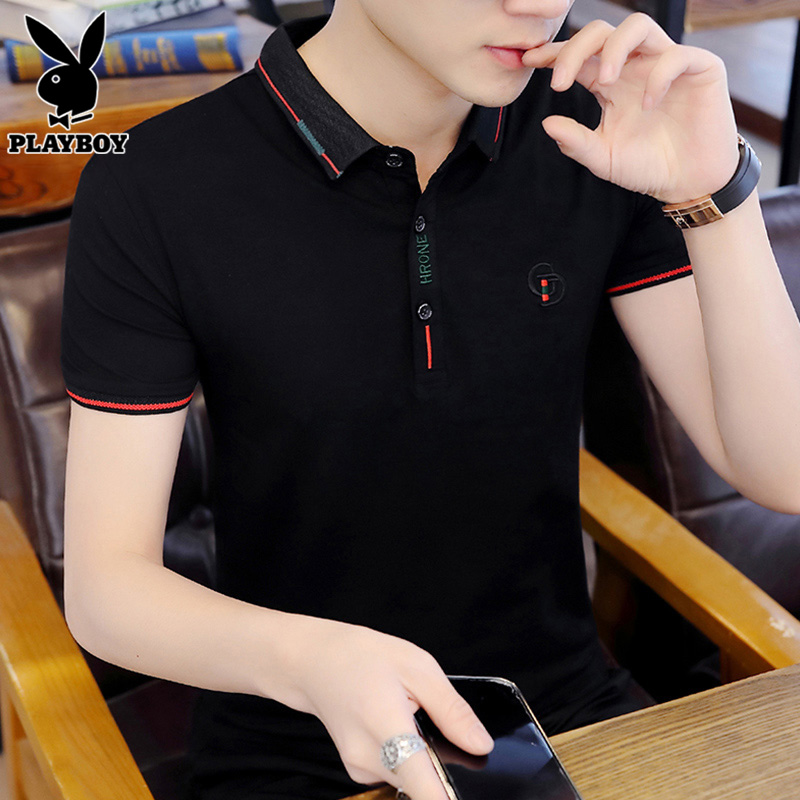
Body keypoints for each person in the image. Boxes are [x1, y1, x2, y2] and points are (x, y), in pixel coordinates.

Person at [60, 1, 800, 800]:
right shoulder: (156, 182)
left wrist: (715, 193)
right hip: (292, 751)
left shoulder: (596, 126)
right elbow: (108, 592)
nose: (537, 3)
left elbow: (784, 470)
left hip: (559, 719)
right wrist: (310, 661)